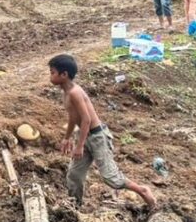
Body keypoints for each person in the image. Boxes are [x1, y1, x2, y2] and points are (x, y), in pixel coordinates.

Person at [50, 54, 157, 209]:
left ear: (64, 75)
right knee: (74, 175)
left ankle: (142, 190)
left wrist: (79, 146)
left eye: (52, 72)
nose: (50, 76)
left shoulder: (75, 92)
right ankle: (75, 206)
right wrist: (67, 138)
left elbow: (86, 119)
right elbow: (73, 118)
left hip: (97, 137)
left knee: (110, 178)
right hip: (84, 135)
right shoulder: (66, 93)